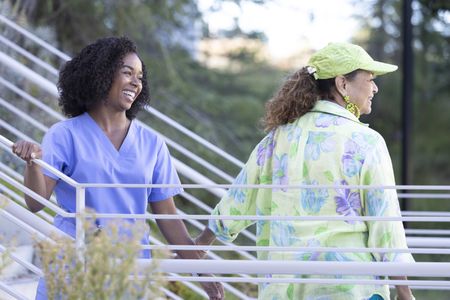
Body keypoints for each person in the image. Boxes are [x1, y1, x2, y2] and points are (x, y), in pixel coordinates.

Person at [195, 42, 415, 300]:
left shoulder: (277, 138)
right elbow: (385, 225)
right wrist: (404, 291)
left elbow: (240, 199)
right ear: (342, 84)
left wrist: (197, 247)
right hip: (348, 287)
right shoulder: (366, 142)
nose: (375, 88)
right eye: (370, 79)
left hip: (284, 287)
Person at [12, 36, 224, 300]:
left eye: (140, 77)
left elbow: (169, 220)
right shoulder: (64, 135)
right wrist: (33, 163)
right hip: (72, 263)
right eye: (127, 73)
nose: (136, 82)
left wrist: (201, 271)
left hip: (129, 268)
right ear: (101, 74)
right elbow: (36, 203)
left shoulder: (152, 144)